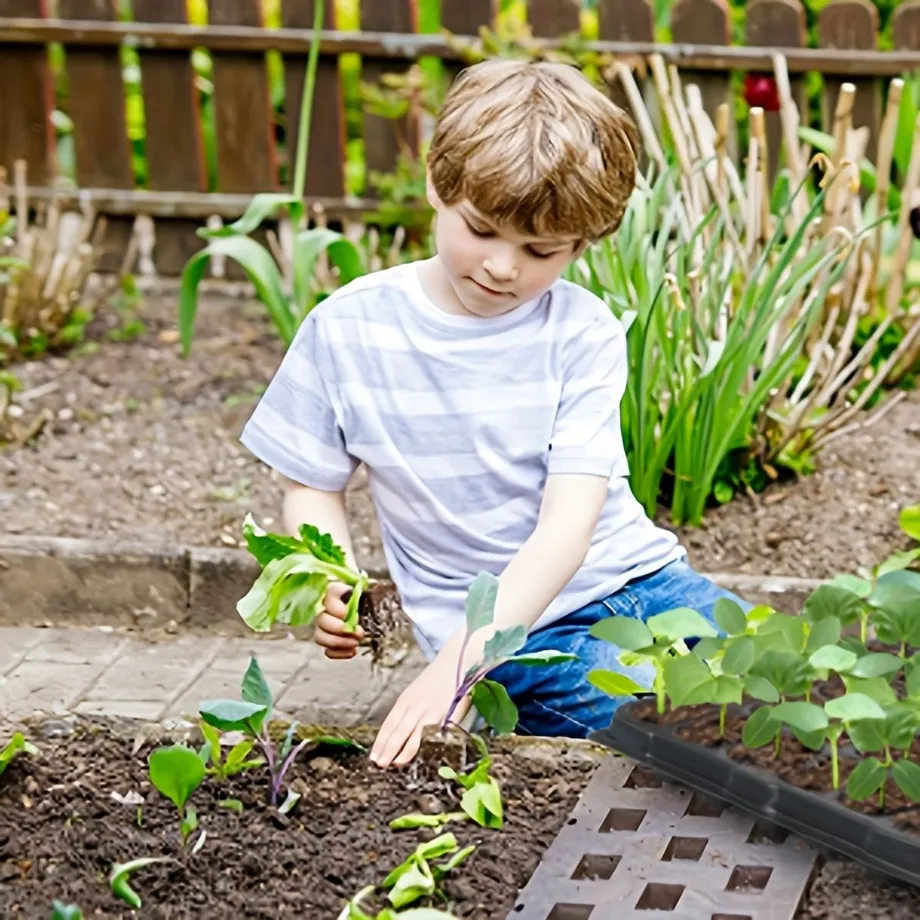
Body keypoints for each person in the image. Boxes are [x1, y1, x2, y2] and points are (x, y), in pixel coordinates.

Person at [239, 58, 748, 770]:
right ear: (437, 187)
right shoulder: (348, 329)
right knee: (658, 712)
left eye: (541, 250)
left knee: (784, 680)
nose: (505, 268)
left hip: (645, 583)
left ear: (582, 245)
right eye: (481, 230)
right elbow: (312, 483)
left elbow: (568, 528)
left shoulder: (582, 331)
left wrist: (445, 676)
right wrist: (335, 582)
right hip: (501, 635)